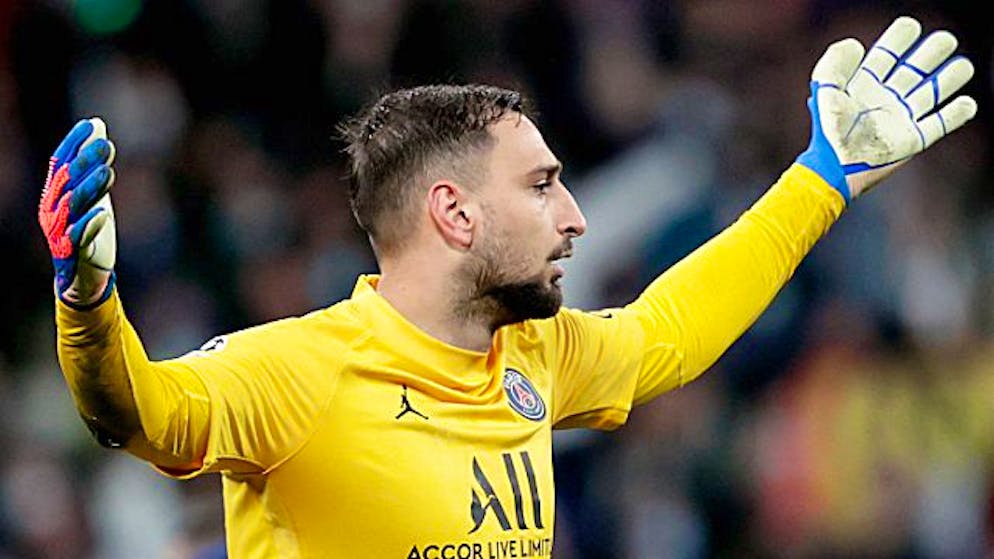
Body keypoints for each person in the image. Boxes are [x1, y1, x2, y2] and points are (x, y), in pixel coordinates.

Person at [37, 16, 977, 558]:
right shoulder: (298, 372)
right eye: (542, 186)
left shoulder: (536, 355)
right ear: (454, 213)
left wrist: (823, 179)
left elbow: (672, 331)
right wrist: (86, 301)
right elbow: (137, 412)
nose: (575, 216)